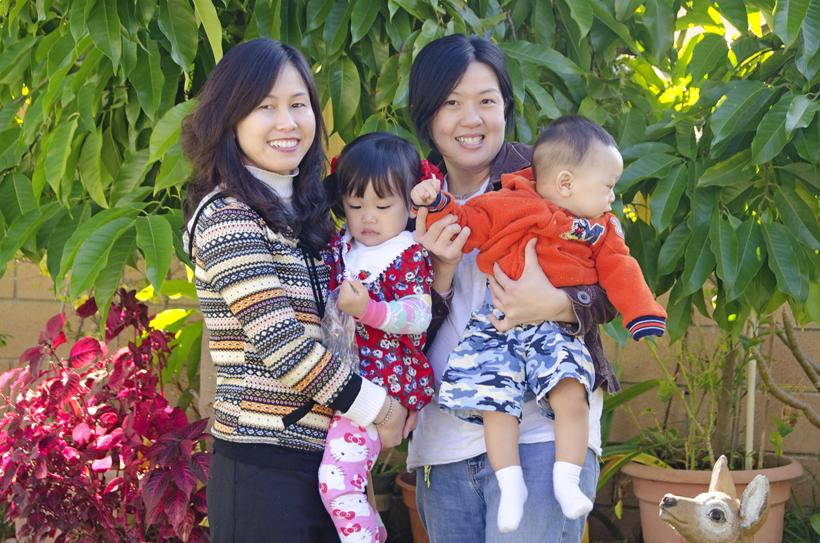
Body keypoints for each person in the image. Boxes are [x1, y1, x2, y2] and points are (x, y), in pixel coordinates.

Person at [180, 39, 410, 543]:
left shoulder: (311, 217)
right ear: (230, 117)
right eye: (265, 106)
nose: (287, 122)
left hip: (327, 462)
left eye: (298, 104)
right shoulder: (226, 217)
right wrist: (384, 409)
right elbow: (286, 348)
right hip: (263, 469)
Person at [406, 34, 618, 543]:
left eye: (486, 101)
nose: (471, 119)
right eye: (452, 103)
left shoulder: (551, 176)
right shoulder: (408, 196)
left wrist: (558, 304)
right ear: (427, 115)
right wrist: (439, 273)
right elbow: (392, 322)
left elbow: (616, 280)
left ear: (506, 106)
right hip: (444, 442)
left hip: (544, 434)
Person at [410, 114, 667, 529]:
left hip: (555, 338)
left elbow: (621, 271)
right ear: (565, 183)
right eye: (609, 187)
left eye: (487, 99)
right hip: (497, 335)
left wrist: (642, 313)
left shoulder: (597, 228)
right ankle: (511, 484)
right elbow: (468, 221)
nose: (613, 198)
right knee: (496, 405)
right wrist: (438, 205)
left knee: (570, 395)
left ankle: (565, 479)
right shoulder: (511, 201)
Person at [318, 132, 436, 543]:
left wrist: (370, 310)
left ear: (410, 205)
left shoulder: (407, 252)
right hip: (341, 386)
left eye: (383, 205)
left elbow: (420, 314)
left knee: (337, 485)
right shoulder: (342, 248)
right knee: (342, 483)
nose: (368, 217)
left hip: (380, 385)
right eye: (355, 205)